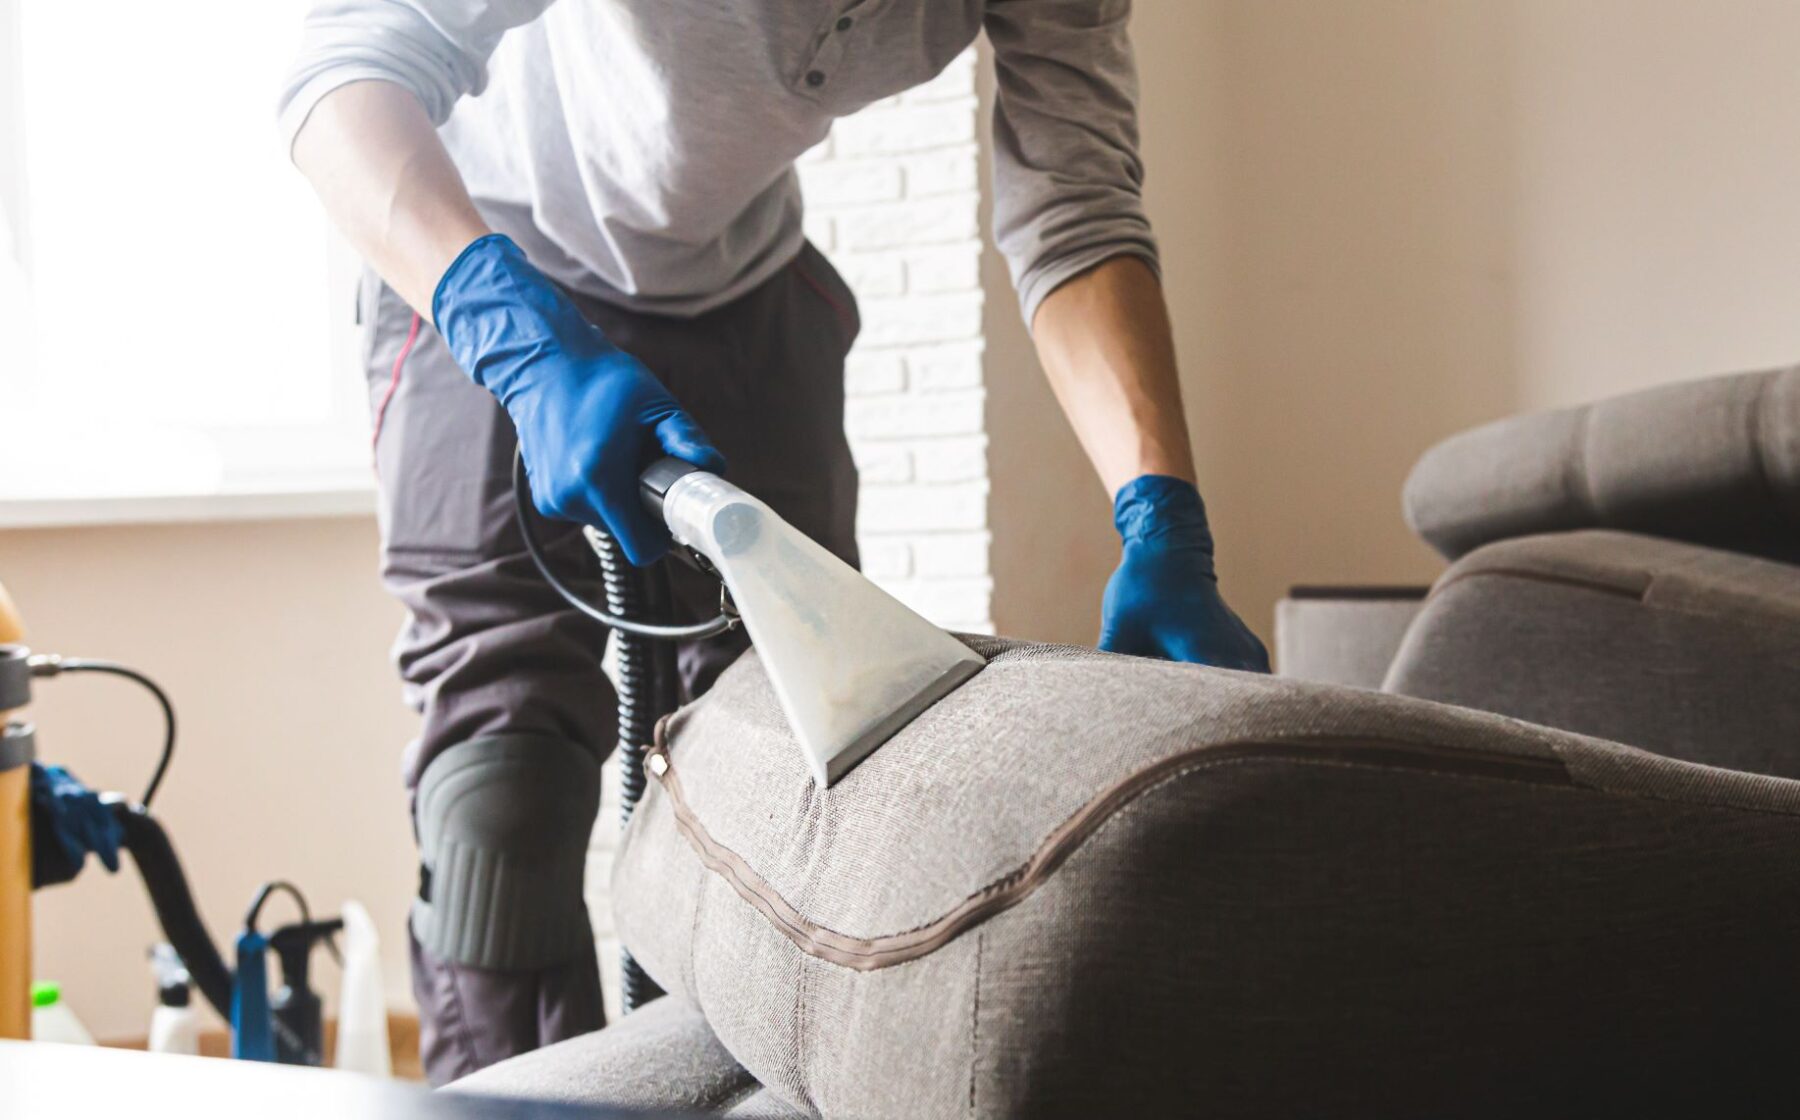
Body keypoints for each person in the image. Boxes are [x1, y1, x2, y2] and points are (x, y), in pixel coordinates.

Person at [280, 0, 1267, 1084]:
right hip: (486, 259)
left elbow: (1075, 201)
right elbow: (346, 68)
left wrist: (1159, 508)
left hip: (746, 292)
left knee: (791, 766)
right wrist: (508, 331)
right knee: (499, 801)